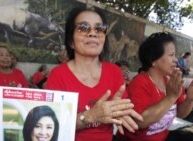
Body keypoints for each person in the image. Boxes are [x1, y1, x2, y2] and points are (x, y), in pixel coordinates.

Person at [45, 6, 143, 141]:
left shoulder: (114, 72)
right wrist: (91, 115)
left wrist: (120, 112)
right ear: (71, 42)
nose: (93, 33)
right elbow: (52, 125)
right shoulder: (58, 75)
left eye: (99, 28)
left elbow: (122, 110)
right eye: (83, 28)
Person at [118, 32, 193, 141]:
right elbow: (140, 122)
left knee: (190, 138)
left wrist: (190, 99)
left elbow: (180, 114)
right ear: (153, 60)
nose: (176, 60)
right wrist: (170, 97)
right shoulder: (140, 82)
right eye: (171, 55)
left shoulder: (171, 82)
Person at [0, 45, 28, 130]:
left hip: (18, 109)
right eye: (1, 55)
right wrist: (6, 92)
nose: (5, 58)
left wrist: (16, 92)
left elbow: (26, 92)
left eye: (8, 55)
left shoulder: (18, 73)